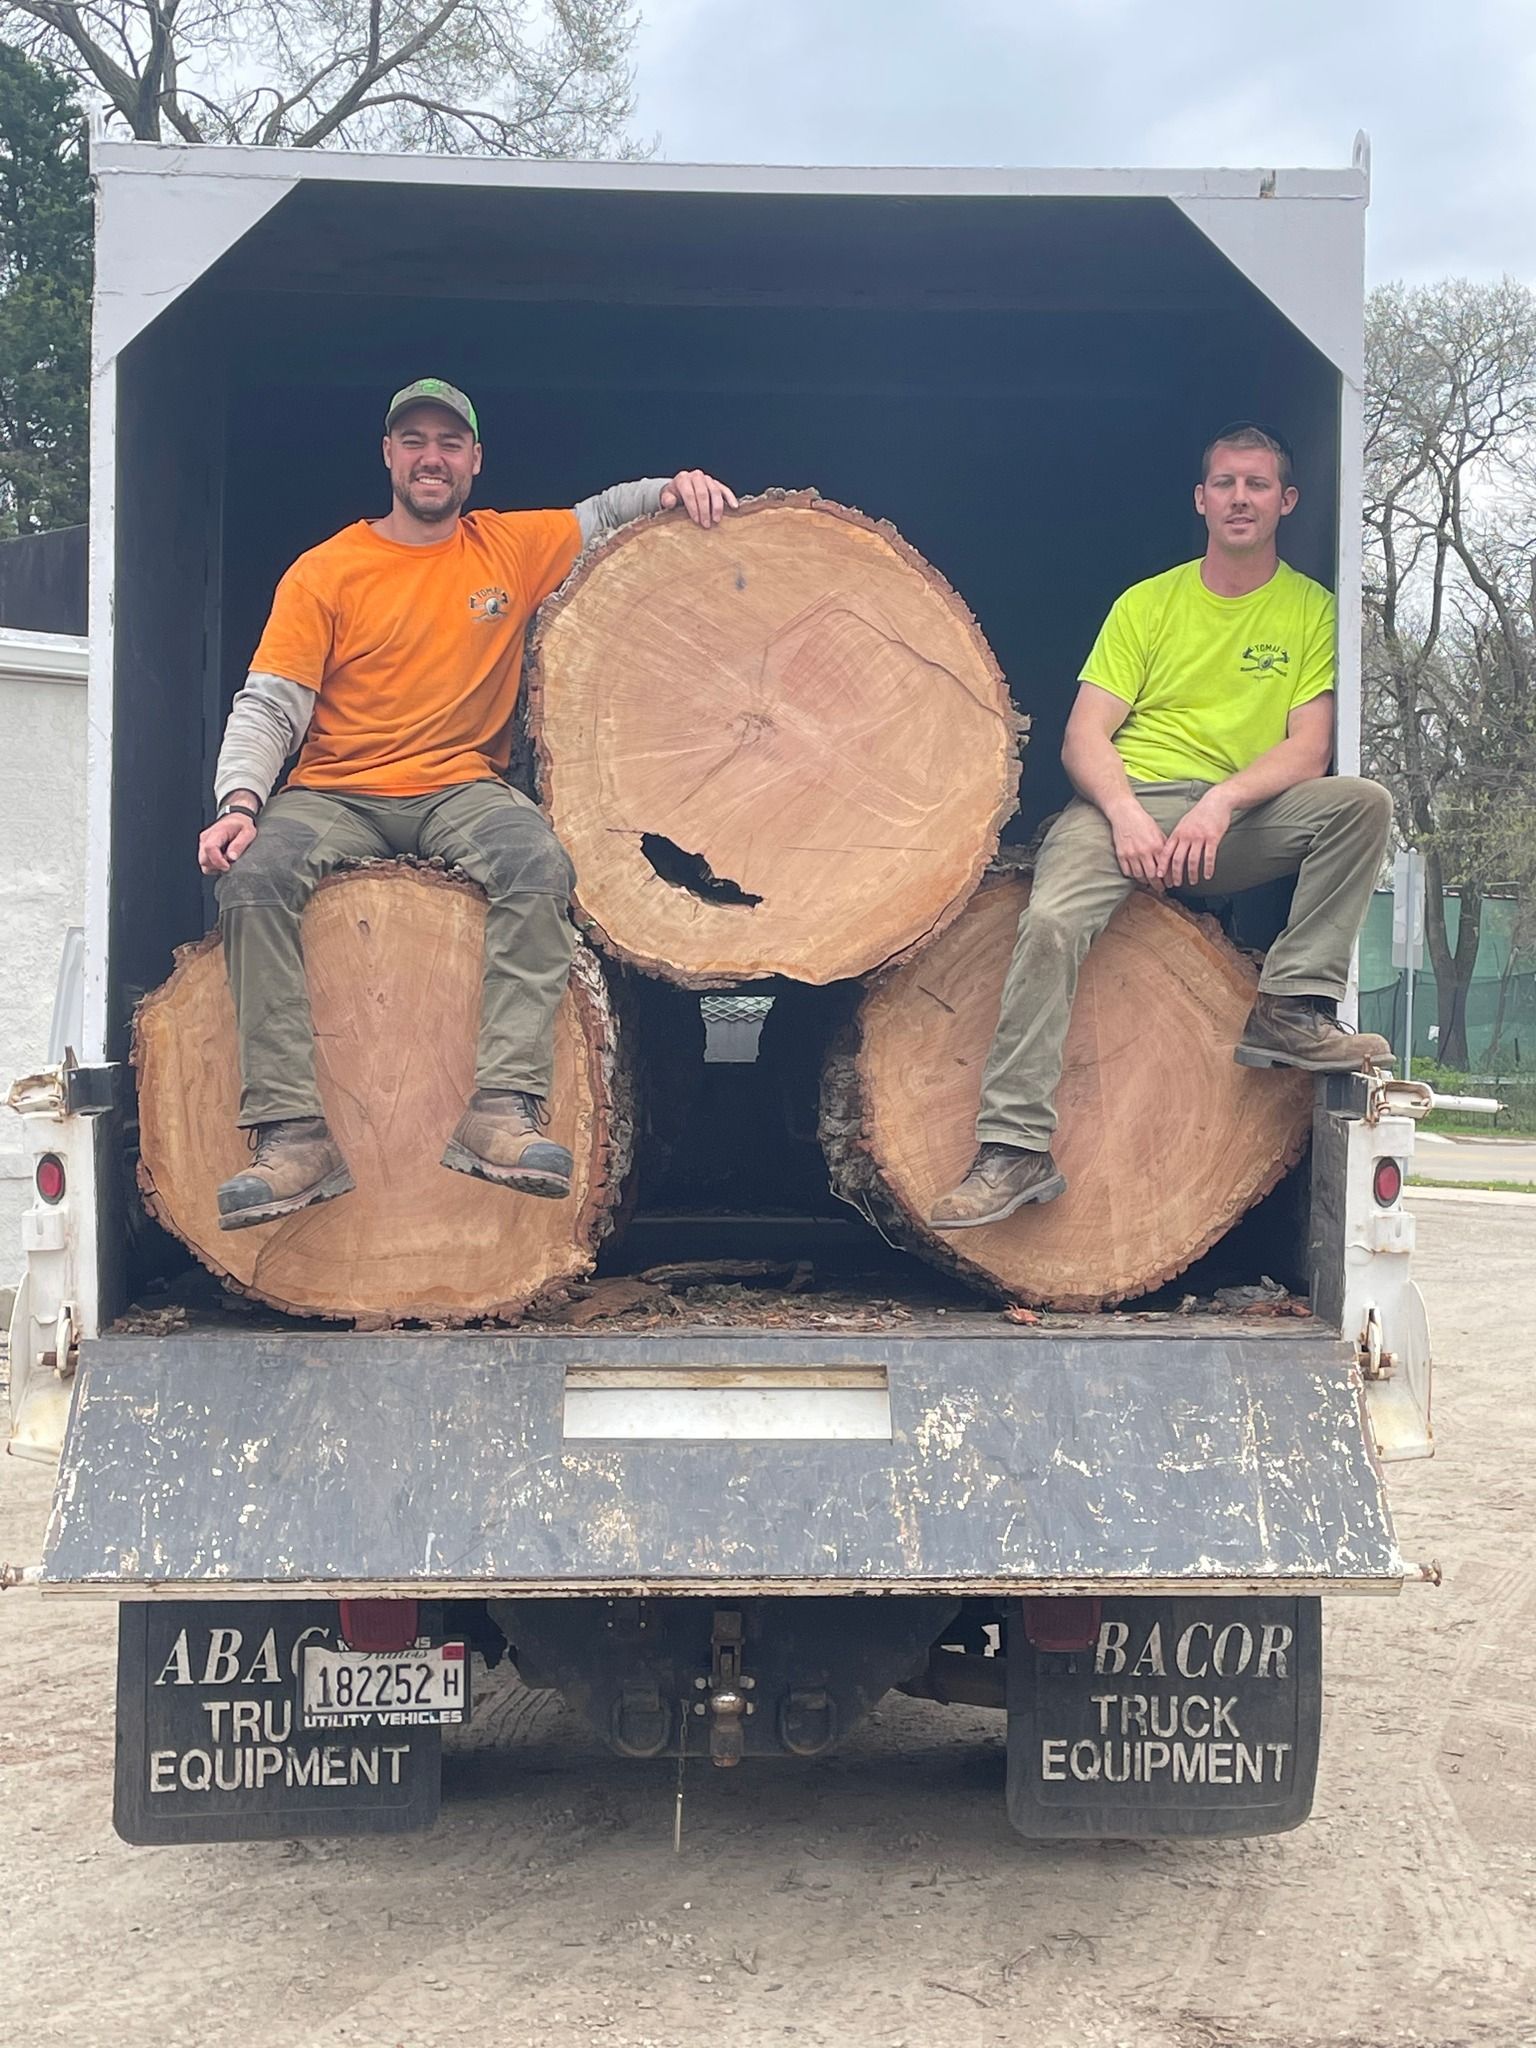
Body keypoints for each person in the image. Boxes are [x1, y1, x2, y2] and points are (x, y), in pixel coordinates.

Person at [197, 376, 737, 1232]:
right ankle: (292, 1138)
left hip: (460, 786)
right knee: (253, 881)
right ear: (388, 456)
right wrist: (239, 799)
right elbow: (271, 702)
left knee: (537, 864)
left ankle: (500, 1115)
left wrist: (676, 487)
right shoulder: (327, 570)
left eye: (449, 444)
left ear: (475, 462)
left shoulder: (507, 549)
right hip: (336, 789)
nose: (431, 457)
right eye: (413, 440)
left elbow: (601, 514)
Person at [930, 422, 1393, 1231]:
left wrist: (1221, 803)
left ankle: (1289, 1007)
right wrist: (1126, 816)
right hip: (1127, 807)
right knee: (1049, 921)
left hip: (1233, 820)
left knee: (1362, 806)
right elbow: (1083, 738)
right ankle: (1014, 1147)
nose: (1239, 498)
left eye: (1256, 485)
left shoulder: (1312, 610)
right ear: (1201, 499)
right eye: (1224, 483)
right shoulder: (1148, 603)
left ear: (1285, 501)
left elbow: (1309, 748)